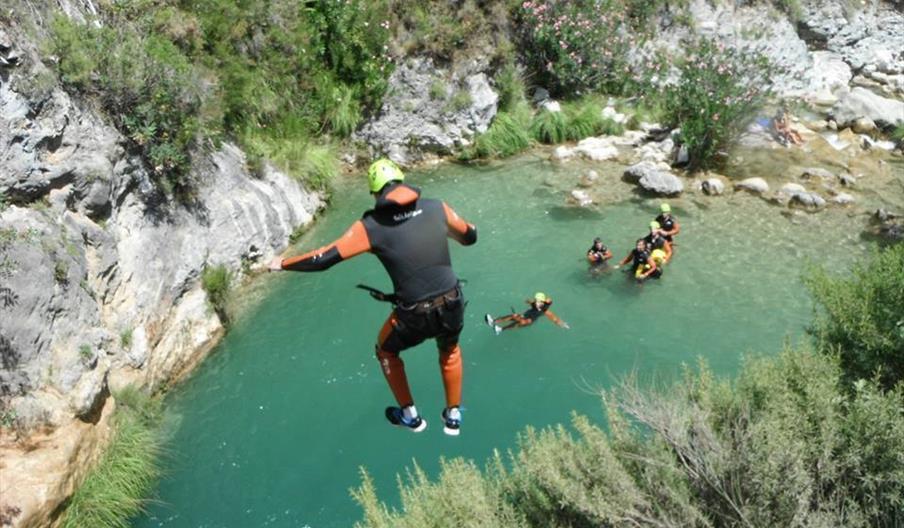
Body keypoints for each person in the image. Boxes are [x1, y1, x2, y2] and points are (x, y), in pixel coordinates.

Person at [268, 159, 477, 436]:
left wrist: (282, 263)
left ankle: (410, 415)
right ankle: (453, 417)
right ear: (403, 182)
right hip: (452, 301)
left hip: (414, 314)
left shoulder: (372, 226)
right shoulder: (436, 207)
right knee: (449, 350)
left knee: (386, 350)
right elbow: (470, 236)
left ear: (376, 194)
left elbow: (323, 259)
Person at [484, 292, 570, 335]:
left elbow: (554, 319)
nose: (537, 303)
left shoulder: (545, 311)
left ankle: (501, 330)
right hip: (525, 316)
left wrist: (563, 325)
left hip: (528, 321)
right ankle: (493, 321)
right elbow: (530, 301)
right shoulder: (534, 303)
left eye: (539, 302)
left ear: (543, 303)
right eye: (536, 301)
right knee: (515, 316)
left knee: (523, 321)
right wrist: (529, 301)